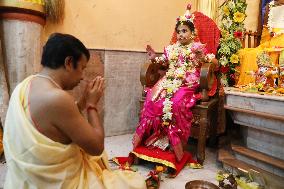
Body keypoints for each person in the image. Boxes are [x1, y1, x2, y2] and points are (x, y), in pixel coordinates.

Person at [3, 33, 146, 189]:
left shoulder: (24, 85)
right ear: (69, 62)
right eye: (82, 68)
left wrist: (83, 102)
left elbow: (56, 124)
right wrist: (92, 105)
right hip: (57, 183)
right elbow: (96, 147)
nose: (83, 77)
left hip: (27, 179)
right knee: (134, 183)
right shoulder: (58, 98)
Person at [132, 6, 216, 162]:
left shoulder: (197, 48)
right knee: (151, 97)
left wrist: (202, 57)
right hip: (168, 79)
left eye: (184, 31)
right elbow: (162, 62)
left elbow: (214, 63)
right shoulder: (171, 49)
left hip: (187, 82)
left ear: (193, 33)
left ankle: (173, 143)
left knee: (176, 103)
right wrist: (153, 57)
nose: (181, 34)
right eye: (179, 31)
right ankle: (152, 139)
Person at [237, 0, 284, 85]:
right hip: (270, 44)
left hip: (281, 45)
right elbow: (266, 34)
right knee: (248, 54)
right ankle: (251, 84)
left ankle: (272, 83)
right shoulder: (269, 7)